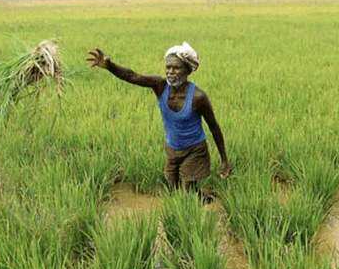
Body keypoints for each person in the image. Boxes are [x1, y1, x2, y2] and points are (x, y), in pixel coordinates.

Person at [86, 42, 231, 201]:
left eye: (176, 68)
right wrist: (110, 66)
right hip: (172, 149)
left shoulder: (198, 97)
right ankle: (205, 199)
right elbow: (133, 76)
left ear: (188, 70)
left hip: (194, 150)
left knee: (187, 190)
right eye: (168, 67)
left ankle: (198, 209)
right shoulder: (160, 86)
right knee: (172, 189)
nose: (170, 72)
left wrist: (224, 160)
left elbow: (214, 127)